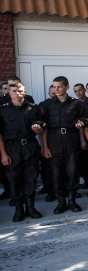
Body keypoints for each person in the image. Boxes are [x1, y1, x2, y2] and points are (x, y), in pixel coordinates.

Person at [40, 76, 87, 214]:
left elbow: (83, 119)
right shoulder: (47, 105)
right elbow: (44, 127)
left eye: (59, 87)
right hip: (54, 139)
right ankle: (61, 202)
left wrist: (81, 127)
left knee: (72, 170)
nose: (56, 90)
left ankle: (72, 200)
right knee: (56, 172)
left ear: (67, 87)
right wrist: (45, 147)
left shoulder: (76, 103)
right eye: (54, 87)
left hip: (71, 138)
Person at [0, 82, 44, 222]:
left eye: (20, 91)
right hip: (12, 148)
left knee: (31, 178)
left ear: (24, 91)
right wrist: (3, 154)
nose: (17, 93)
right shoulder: (3, 110)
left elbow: (42, 129)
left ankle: (30, 207)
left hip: (30, 146)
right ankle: (18, 209)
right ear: (9, 93)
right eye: (14, 91)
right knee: (14, 179)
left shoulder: (33, 109)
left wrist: (38, 130)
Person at [73, 83, 88, 195]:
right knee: (79, 162)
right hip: (75, 137)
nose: (78, 93)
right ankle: (86, 181)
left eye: (80, 90)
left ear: (84, 90)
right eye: (75, 91)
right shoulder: (74, 104)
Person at [38, 85, 56, 202]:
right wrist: (43, 146)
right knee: (48, 168)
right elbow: (42, 128)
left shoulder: (69, 104)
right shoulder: (44, 106)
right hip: (48, 140)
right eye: (52, 93)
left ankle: (63, 190)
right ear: (49, 94)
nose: (55, 95)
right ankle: (50, 191)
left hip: (63, 140)